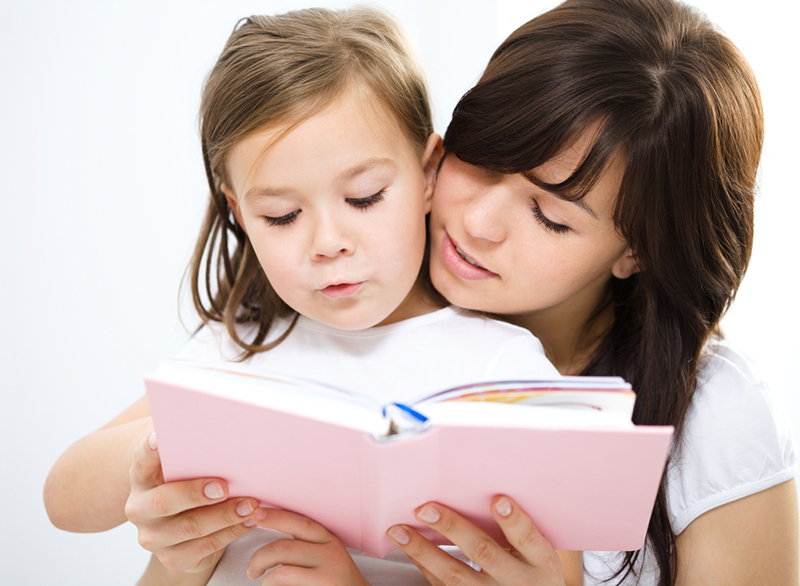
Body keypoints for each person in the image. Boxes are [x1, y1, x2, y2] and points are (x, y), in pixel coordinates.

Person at [42, 6, 566, 586]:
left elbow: (559, 570)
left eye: (364, 197)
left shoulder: (501, 366)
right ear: (239, 213)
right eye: (282, 215)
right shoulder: (245, 344)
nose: (328, 243)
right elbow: (63, 498)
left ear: (428, 174)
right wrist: (169, 446)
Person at [379, 0, 799, 585]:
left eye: (550, 217)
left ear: (638, 251)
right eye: (479, 157)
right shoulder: (343, 314)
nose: (477, 222)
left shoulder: (713, 418)